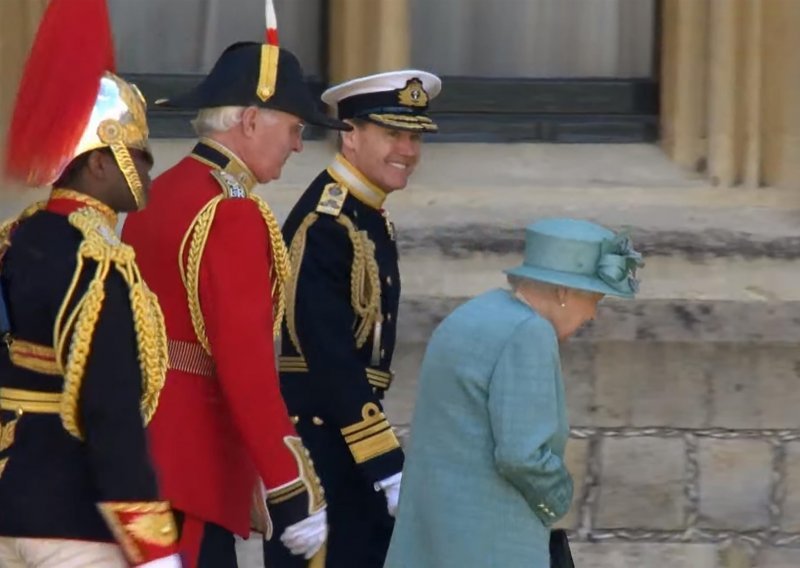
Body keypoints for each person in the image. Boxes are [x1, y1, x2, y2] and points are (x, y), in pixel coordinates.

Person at [120, 3, 351, 565]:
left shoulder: (161, 193)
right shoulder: (232, 212)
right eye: (294, 129)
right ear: (251, 121)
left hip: (142, 449)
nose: (299, 145)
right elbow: (243, 365)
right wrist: (289, 485)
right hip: (193, 465)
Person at [0, 1, 180, 566]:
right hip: (70, 517)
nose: (149, 171)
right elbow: (110, 410)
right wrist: (152, 543)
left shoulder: (14, 239)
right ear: (98, 164)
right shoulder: (100, 263)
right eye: (138, 156)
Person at [384, 218, 644, 568]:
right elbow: (522, 456)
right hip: (493, 542)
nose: (593, 315)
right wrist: (559, 498)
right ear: (564, 292)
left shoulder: (472, 314)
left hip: (435, 538)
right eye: (594, 298)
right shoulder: (529, 332)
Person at [278, 69, 441, 567]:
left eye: (413, 137)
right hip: (321, 450)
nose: (408, 151)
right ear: (350, 135)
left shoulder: (364, 211)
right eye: (393, 133)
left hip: (348, 446)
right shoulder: (327, 221)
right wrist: (384, 461)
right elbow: (327, 356)